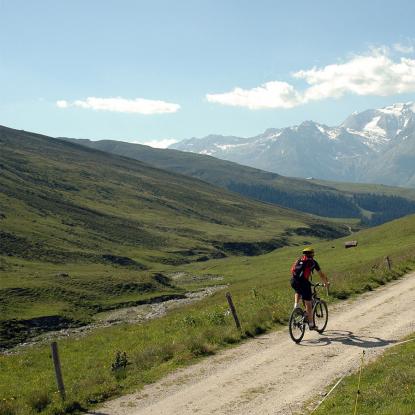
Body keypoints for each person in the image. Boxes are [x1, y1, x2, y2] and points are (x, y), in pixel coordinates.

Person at [290, 246, 329, 330]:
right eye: (313, 253)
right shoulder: (313, 262)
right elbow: (321, 274)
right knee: (308, 303)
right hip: (304, 282)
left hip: (293, 281)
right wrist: (326, 283)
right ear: (312, 254)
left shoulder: (299, 260)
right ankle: (311, 324)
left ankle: (296, 306)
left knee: (298, 290)